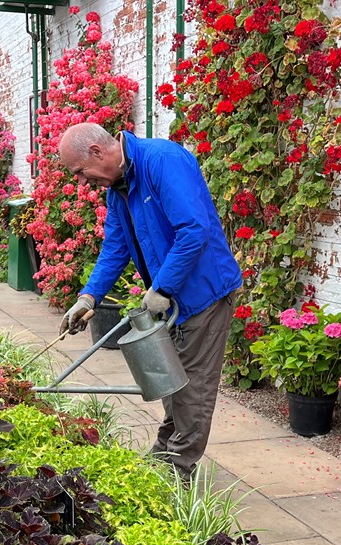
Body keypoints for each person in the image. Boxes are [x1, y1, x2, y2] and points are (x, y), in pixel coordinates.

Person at [57, 122, 242, 480]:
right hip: (171, 299)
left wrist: (163, 288)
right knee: (171, 382)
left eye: (81, 172)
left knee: (191, 387)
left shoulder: (161, 161)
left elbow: (194, 230)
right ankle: (164, 455)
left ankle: (176, 471)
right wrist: (88, 297)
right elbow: (115, 247)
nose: (81, 182)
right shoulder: (119, 188)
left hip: (203, 293)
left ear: (97, 152)